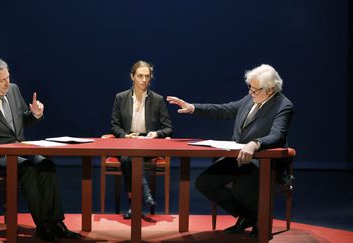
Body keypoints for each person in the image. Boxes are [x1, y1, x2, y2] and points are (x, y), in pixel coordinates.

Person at [167, 64, 294, 238]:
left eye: (255, 90)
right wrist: (193, 108)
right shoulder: (251, 98)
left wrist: (255, 143)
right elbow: (224, 110)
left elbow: (277, 135)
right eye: (250, 88)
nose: (251, 93)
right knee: (204, 183)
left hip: (263, 161)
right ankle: (250, 216)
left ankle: (261, 223)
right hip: (238, 157)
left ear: (270, 90)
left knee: (241, 189)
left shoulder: (283, 105)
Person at [0, 58, 82, 241]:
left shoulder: (13, 90)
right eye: (2, 80)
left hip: (20, 148)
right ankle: (43, 226)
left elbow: (22, 120)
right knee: (27, 168)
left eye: (8, 77)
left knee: (46, 164)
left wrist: (35, 114)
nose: (7, 83)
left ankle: (56, 223)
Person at [111, 60, 173, 219]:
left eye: (147, 76)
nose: (144, 80)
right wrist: (125, 136)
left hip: (147, 144)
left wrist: (156, 134)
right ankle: (144, 196)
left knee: (129, 158)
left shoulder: (157, 99)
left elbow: (168, 128)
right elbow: (115, 126)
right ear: (132, 77)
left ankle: (134, 203)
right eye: (140, 76)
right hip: (126, 142)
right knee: (127, 157)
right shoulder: (120, 97)